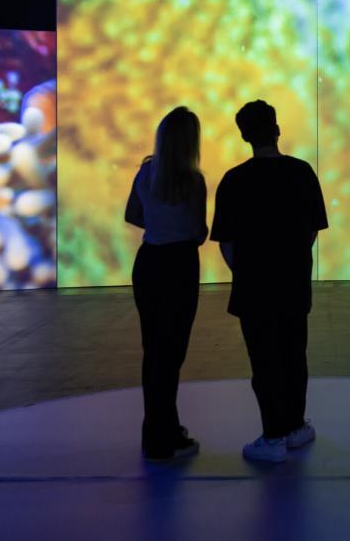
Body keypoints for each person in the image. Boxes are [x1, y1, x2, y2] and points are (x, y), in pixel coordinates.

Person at [210, 100, 328, 464]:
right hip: (294, 284)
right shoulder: (302, 172)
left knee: (264, 362)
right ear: (277, 130)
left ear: (244, 136)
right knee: (294, 355)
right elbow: (311, 231)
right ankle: (294, 427)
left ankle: (273, 434)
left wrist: (245, 271)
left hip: (254, 287)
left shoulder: (233, 180)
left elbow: (226, 243)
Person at [124, 106, 208, 462]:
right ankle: (163, 438)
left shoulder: (145, 173)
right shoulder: (194, 182)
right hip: (180, 267)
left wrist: (157, 224)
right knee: (171, 355)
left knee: (153, 353)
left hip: (149, 264)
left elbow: (132, 214)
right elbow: (200, 233)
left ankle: (157, 431)